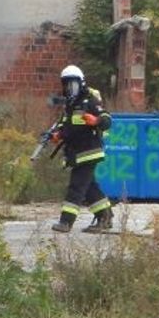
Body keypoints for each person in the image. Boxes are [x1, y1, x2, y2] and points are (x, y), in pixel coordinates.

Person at [49, 64, 114, 234]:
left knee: (76, 187)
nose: (70, 88)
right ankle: (105, 217)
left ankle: (66, 222)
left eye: (73, 84)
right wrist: (58, 135)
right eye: (66, 84)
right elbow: (68, 127)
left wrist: (96, 121)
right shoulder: (70, 106)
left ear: (81, 83)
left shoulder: (90, 101)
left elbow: (107, 119)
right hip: (76, 153)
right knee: (89, 187)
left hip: (89, 152)